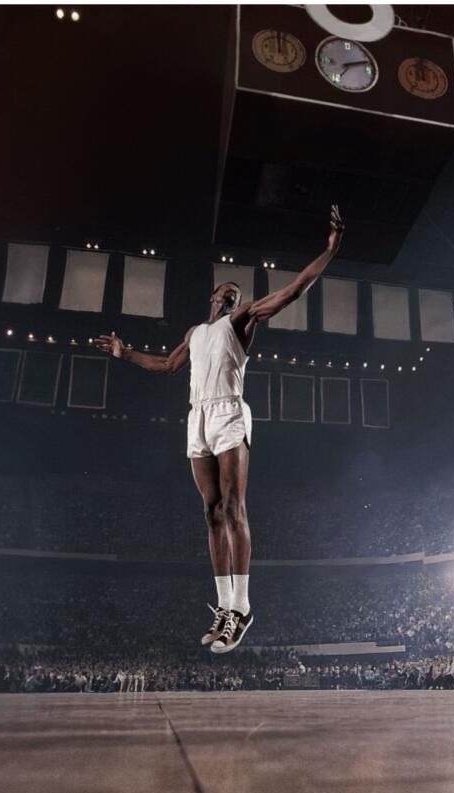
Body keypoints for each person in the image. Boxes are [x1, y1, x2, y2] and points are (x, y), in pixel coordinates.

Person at [96, 205, 344, 654]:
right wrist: (124, 354)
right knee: (210, 513)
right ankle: (226, 606)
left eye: (237, 293)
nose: (233, 294)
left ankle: (243, 607)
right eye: (227, 290)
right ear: (214, 295)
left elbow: (292, 291)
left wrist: (329, 251)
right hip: (198, 417)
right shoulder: (195, 333)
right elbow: (168, 365)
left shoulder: (241, 320)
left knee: (233, 508)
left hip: (229, 412)